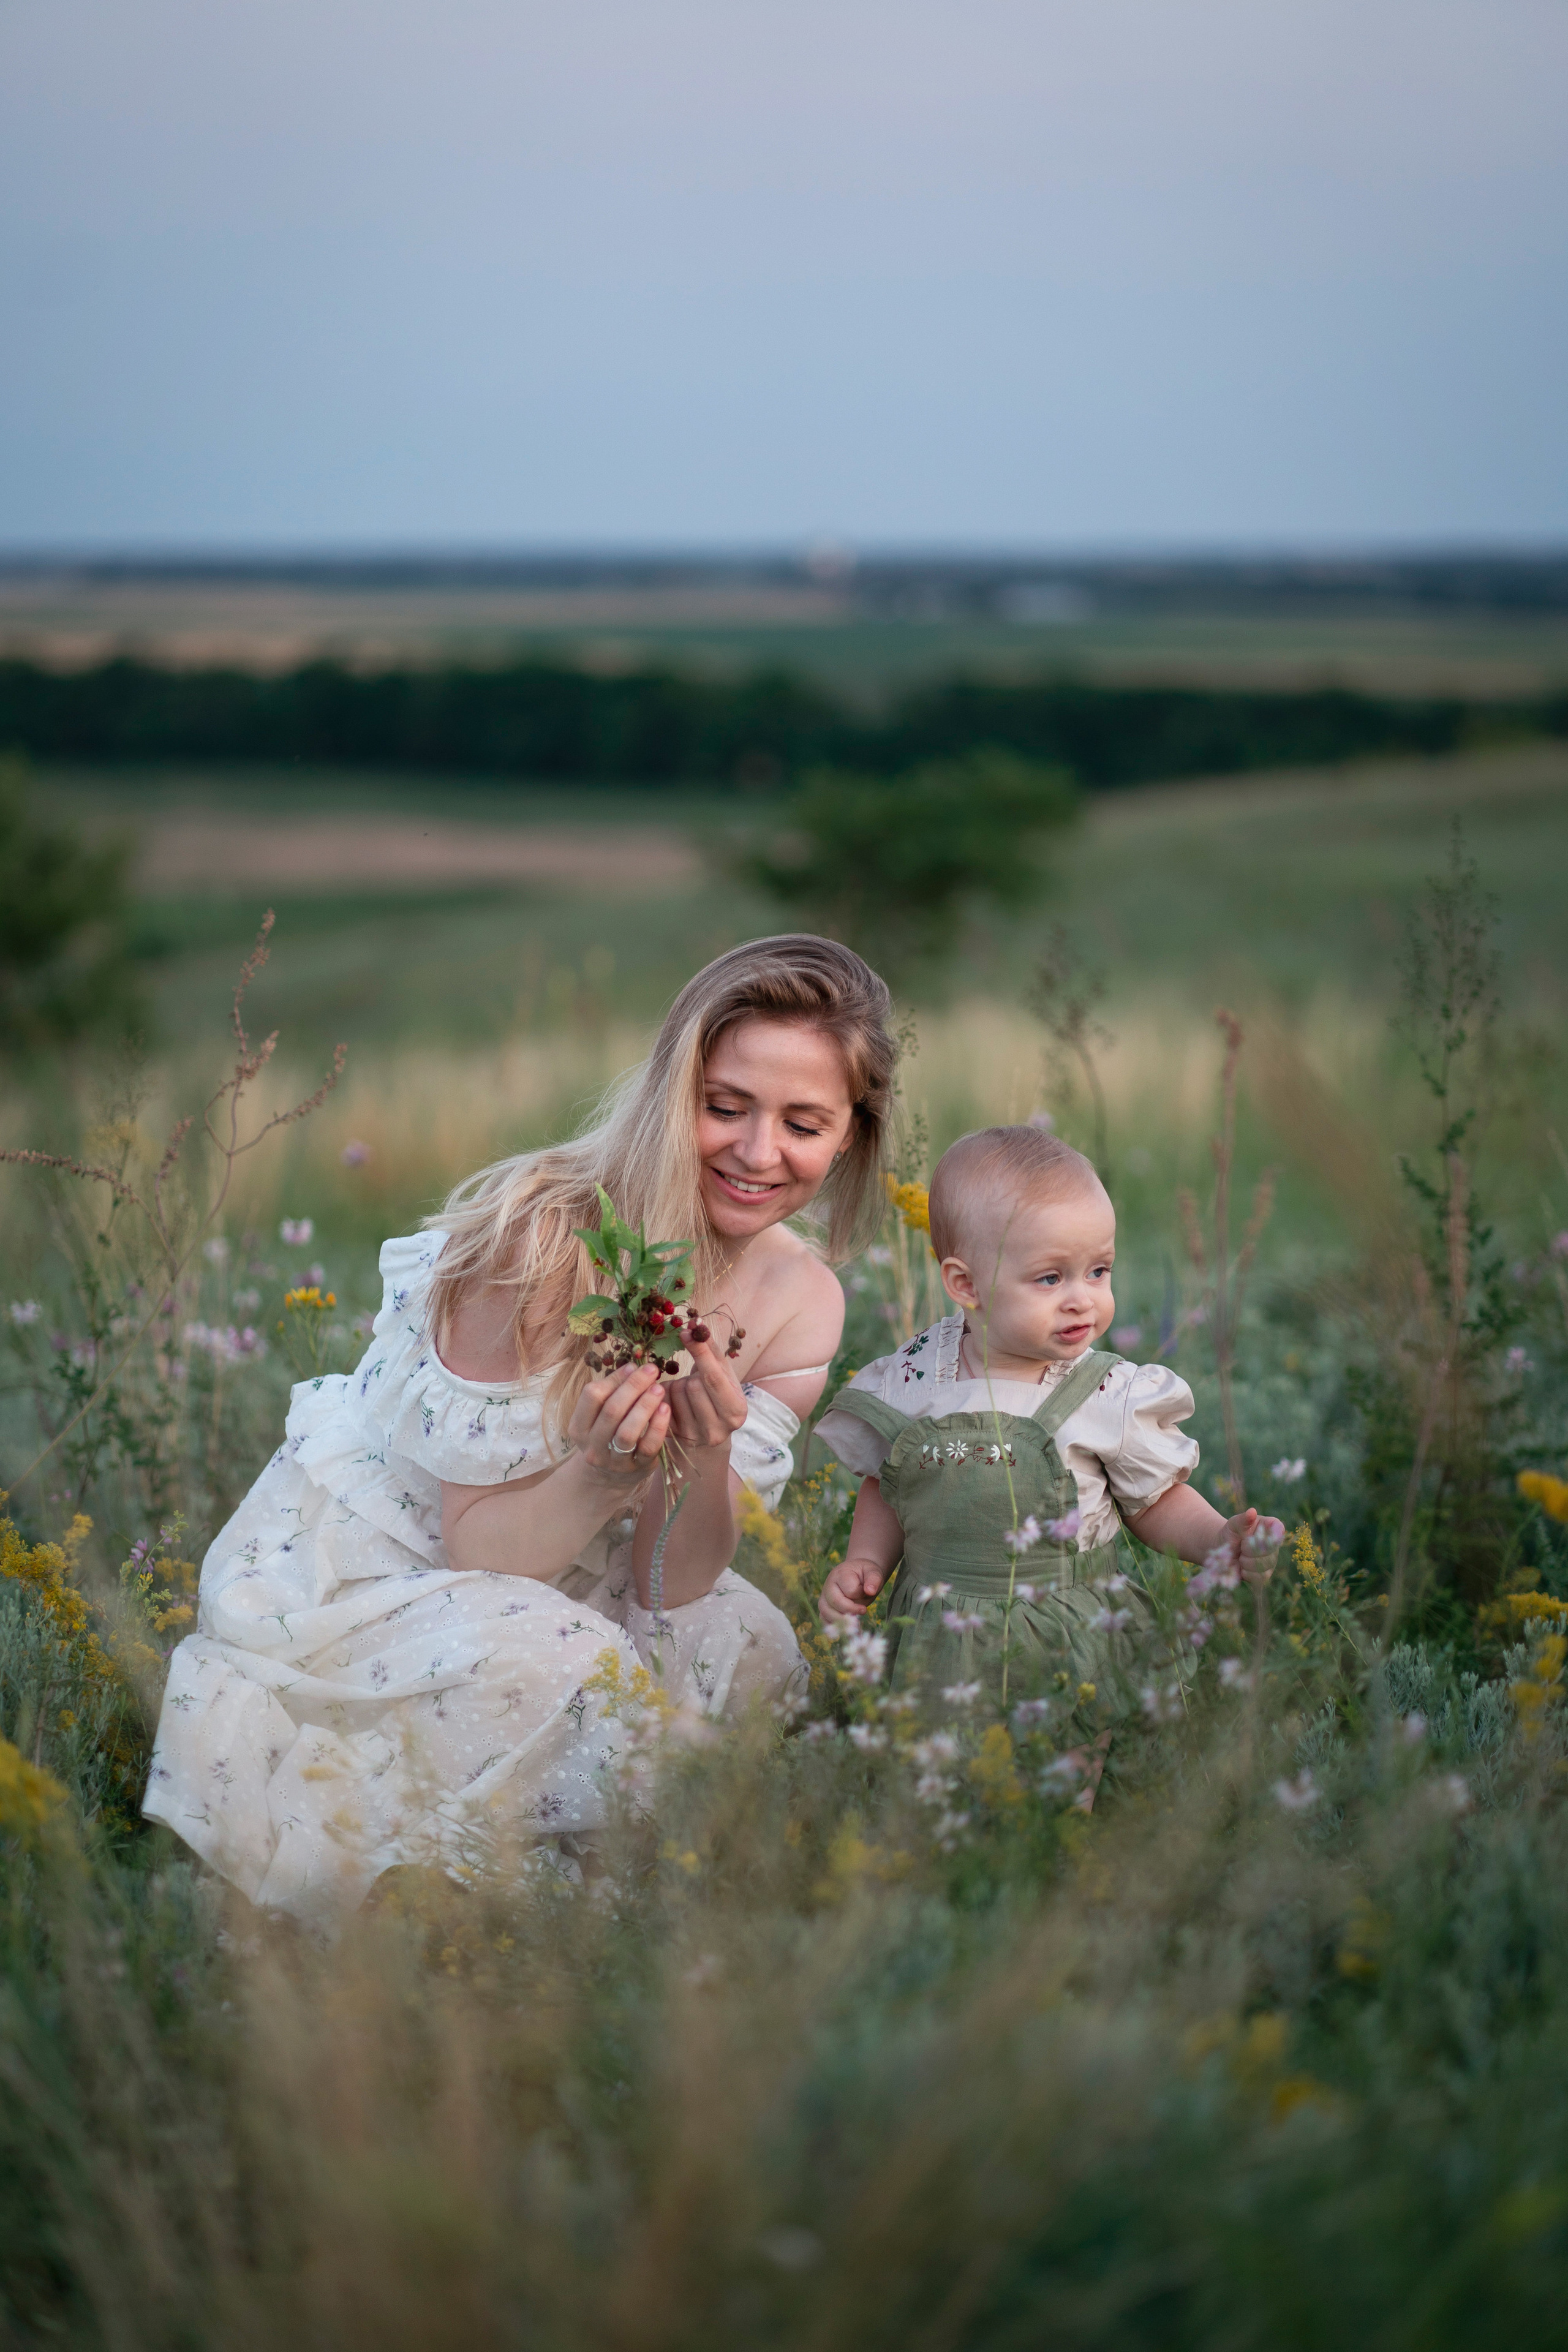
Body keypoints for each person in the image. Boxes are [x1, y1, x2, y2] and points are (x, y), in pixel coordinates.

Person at [145, 936, 897, 1924]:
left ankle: (595, 1881)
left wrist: (701, 1454)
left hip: (582, 1576)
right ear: (675, 1094)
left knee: (744, 1642)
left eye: (804, 1124)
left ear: (850, 1136)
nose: (759, 1154)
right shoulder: (540, 1234)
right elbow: (480, 1548)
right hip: (402, 1570)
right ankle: (448, 1887)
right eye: (725, 1107)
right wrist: (597, 1469)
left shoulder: (802, 1298)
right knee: (576, 1667)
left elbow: (674, 1581)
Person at [814, 1125, 1281, 1715]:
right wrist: (866, 1561)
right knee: (937, 1770)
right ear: (966, 1284)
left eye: (1099, 1272)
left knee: (1064, 1773)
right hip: (938, 1634)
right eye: (1050, 1278)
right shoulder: (917, 1379)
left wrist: (1218, 1540)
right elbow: (891, 1481)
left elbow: (1154, 1501)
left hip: (1069, 1632)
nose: (1082, 1299)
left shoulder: (1106, 1393)